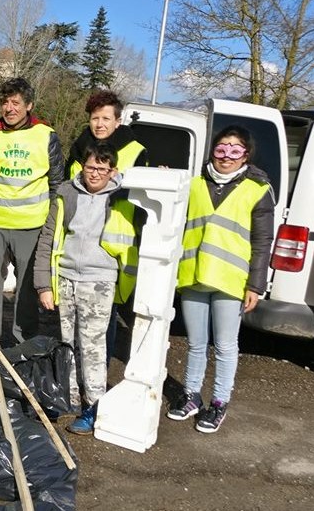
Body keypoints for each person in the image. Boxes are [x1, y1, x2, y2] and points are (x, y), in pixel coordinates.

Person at [167, 125, 274, 434]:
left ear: (246, 155)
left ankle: (219, 402)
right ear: (212, 151)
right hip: (194, 275)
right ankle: (191, 396)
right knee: (196, 343)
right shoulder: (194, 184)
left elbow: (262, 241)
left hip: (232, 280)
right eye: (221, 148)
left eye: (235, 149)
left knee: (226, 345)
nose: (227, 155)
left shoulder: (258, 189)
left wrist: (256, 285)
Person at [33, 143, 138, 435]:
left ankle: (94, 406)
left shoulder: (123, 196)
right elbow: (48, 238)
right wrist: (44, 285)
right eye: (90, 167)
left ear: (112, 171)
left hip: (100, 281)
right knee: (67, 342)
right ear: (82, 167)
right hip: (66, 278)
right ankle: (67, 396)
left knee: (93, 347)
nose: (94, 174)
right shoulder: (66, 193)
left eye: (102, 169)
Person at [0, 77, 65, 344]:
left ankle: (23, 343)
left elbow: (57, 187)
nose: (9, 108)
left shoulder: (46, 136)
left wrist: (52, 229)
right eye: (5, 102)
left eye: (15, 102)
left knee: (27, 292)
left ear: (29, 105)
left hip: (32, 226)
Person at [65, 90, 148, 363]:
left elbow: (145, 200)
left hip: (114, 242)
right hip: (77, 241)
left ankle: (99, 370)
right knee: (73, 316)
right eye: (95, 118)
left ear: (118, 120)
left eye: (106, 118)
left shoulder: (135, 150)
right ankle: (73, 374)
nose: (100, 124)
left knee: (105, 317)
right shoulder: (79, 149)